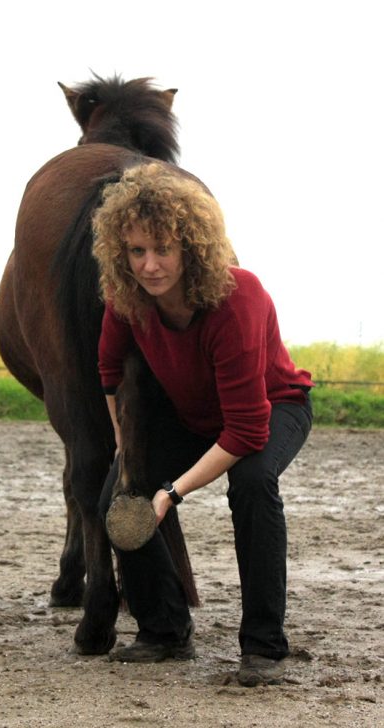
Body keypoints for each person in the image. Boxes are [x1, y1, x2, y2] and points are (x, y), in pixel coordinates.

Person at [91, 161, 314, 687]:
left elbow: (246, 431)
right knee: (117, 500)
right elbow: (107, 372)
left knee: (253, 484)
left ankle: (264, 646)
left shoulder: (239, 297)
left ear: (191, 246)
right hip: (193, 415)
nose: (150, 265)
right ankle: (165, 630)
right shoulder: (127, 299)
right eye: (137, 251)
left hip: (272, 405)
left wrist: (172, 491)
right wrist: (125, 443)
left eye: (163, 248)